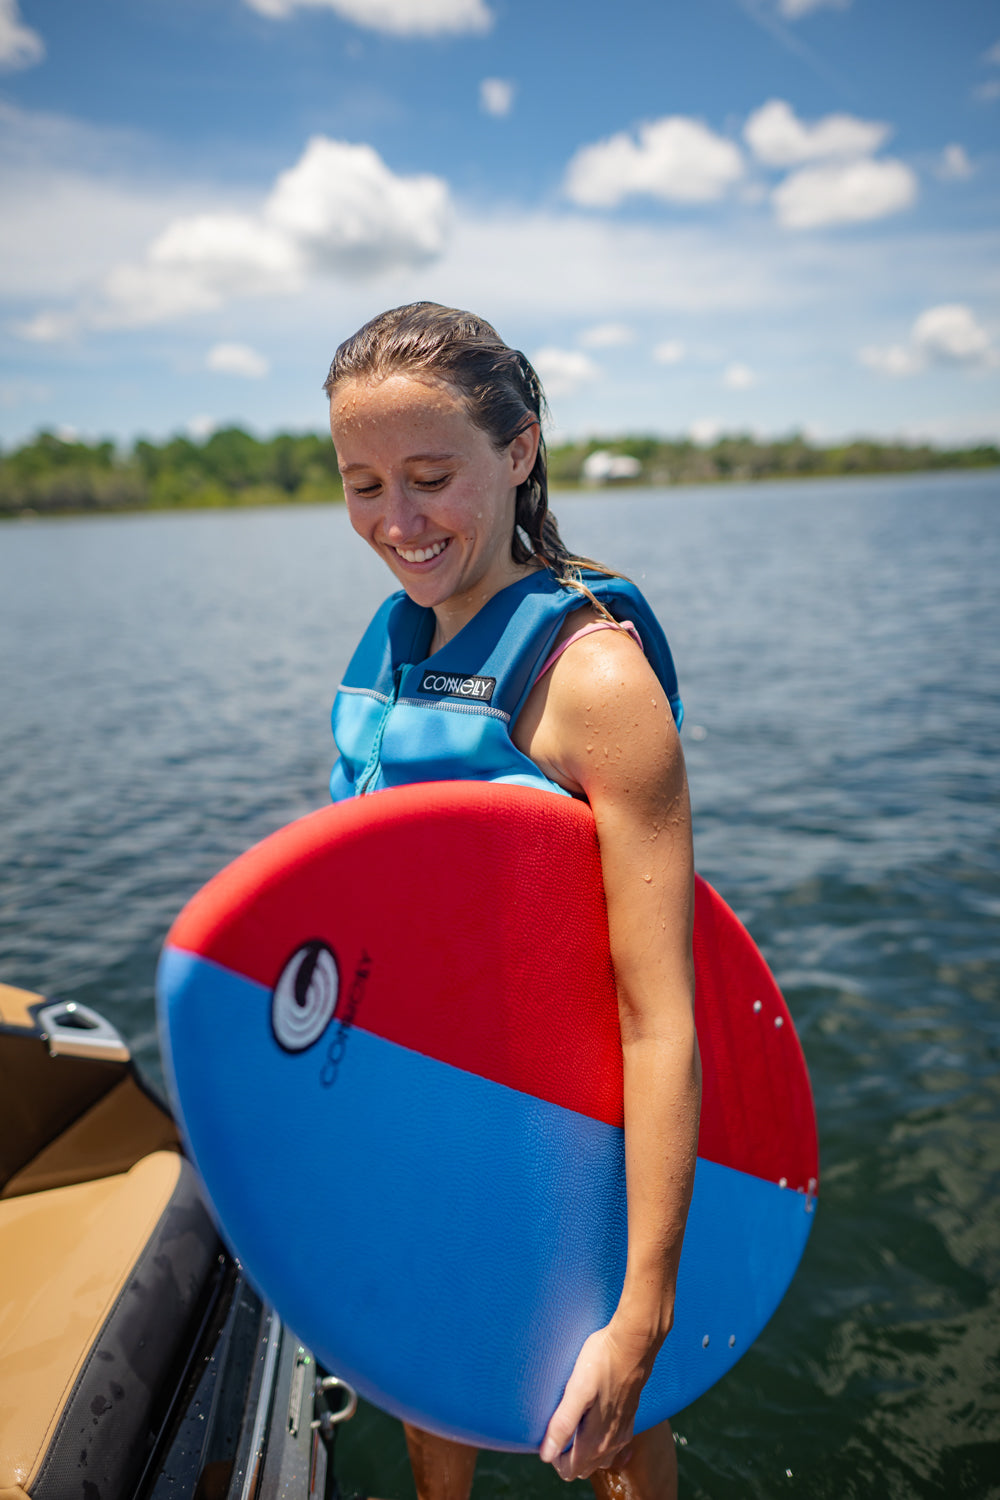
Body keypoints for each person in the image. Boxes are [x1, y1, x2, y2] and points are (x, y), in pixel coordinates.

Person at [324, 302, 700, 1500]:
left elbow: (659, 1017)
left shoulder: (593, 681)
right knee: (433, 1433)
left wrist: (640, 1312)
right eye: (364, 483)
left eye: (431, 477)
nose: (397, 521)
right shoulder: (392, 647)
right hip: (419, 1127)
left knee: (608, 1446)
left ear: (520, 450)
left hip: (569, 1152)